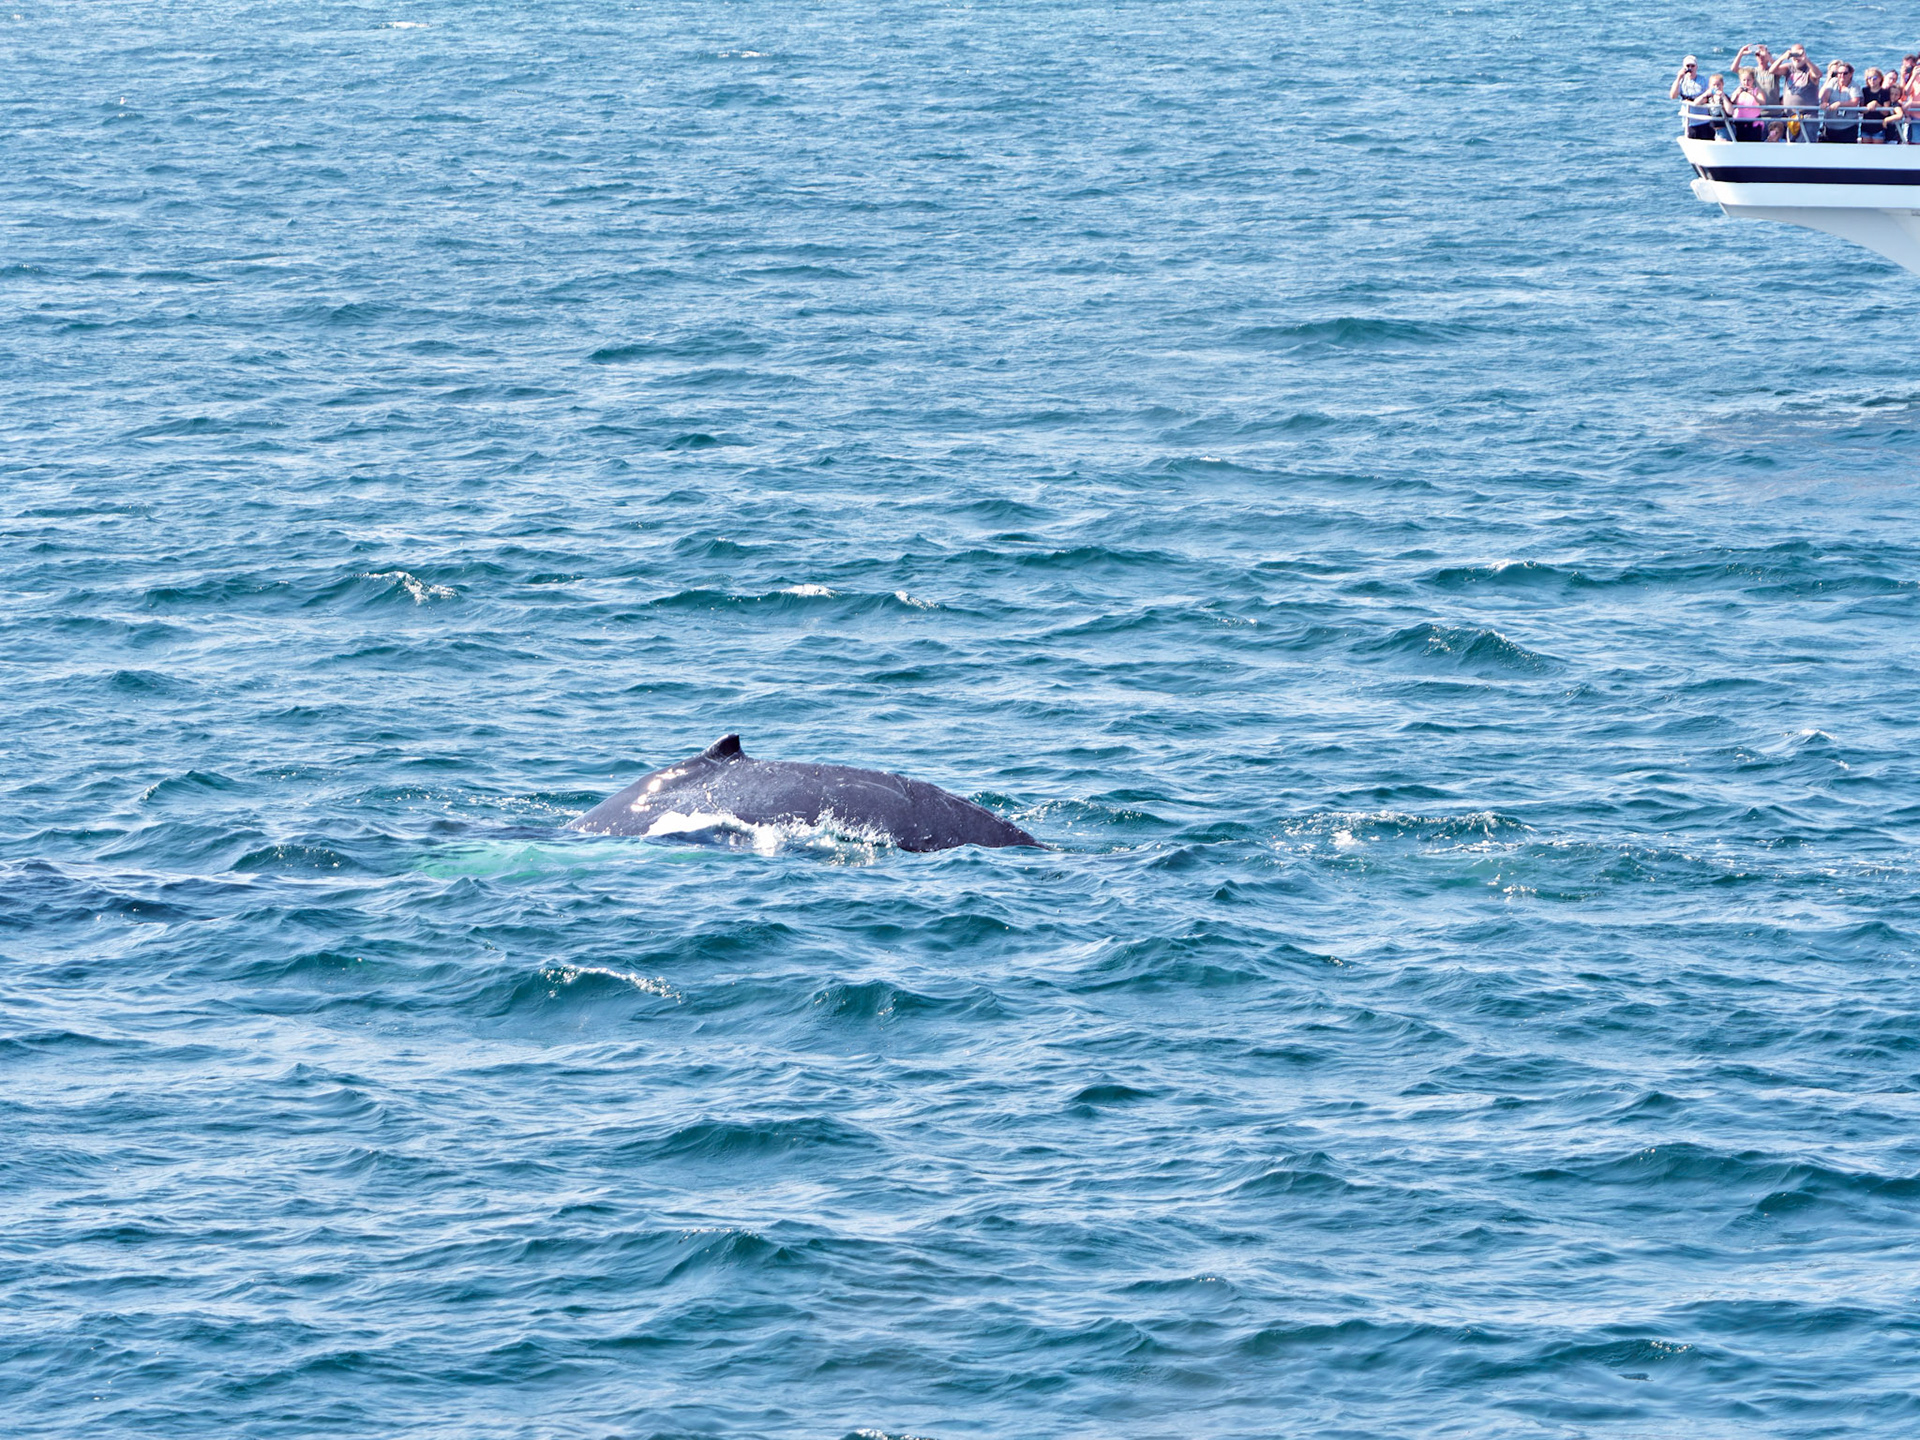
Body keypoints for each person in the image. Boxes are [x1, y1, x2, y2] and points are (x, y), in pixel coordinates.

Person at [1779, 48, 1823, 141]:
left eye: (1798, 54)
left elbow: (1818, 74)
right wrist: (1783, 57)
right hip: (1792, 115)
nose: (1796, 57)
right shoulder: (1789, 68)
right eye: (1794, 54)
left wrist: (1806, 59)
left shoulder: (1809, 70)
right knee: (1791, 144)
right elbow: (1772, 70)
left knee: (1806, 143)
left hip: (1808, 116)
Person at [1672, 55, 1714, 139]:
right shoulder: (1681, 81)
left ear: (1696, 67)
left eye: (1692, 66)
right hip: (1690, 122)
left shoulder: (1703, 80)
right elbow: (1673, 96)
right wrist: (1678, 78)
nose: (1690, 68)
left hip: (1704, 120)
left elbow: (1710, 94)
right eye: (1688, 66)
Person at [1821, 61, 1861, 142]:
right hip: (1830, 126)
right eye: (1839, 73)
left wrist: (1840, 104)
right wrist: (1824, 102)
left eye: (1845, 73)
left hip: (1848, 127)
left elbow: (1855, 102)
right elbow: (1826, 94)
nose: (1842, 76)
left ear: (1850, 74)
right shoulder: (1833, 82)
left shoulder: (1854, 86)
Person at [1859, 68, 1898, 142]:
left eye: (1874, 78)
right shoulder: (1864, 91)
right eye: (1869, 78)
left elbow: (1886, 112)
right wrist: (1868, 108)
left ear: (1880, 79)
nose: (1872, 80)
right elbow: (1861, 109)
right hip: (1866, 125)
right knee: (1865, 149)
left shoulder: (1884, 92)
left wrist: (1876, 104)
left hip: (1879, 126)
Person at [1730, 69, 1767, 141]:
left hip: (1754, 124)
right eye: (1744, 80)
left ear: (1753, 80)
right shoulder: (1738, 90)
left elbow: (1763, 102)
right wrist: (1736, 93)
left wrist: (1754, 96)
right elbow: (1731, 102)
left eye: (1748, 80)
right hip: (1739, 123)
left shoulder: (1757, 90)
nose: (1746, 82)